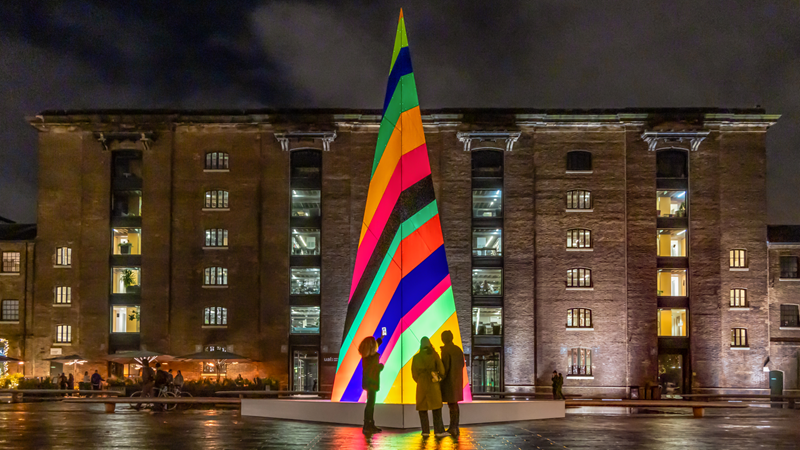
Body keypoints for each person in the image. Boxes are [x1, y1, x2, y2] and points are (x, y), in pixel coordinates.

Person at [411, 337, 447, 437]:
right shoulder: (434, 355)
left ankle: (425, 431)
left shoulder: (416, 357)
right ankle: (438, 431)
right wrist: (439, 378)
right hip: (433, 383)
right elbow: (442, 370)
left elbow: (414, 374)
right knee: (436, 409)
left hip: (421, 385)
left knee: (422, 409)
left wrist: (420, 380)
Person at [439, 330, 464, 436]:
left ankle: (452, 427)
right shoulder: (458, 349)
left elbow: (445, 368)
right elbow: (462, 364)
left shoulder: (446, 350)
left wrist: (439, 378)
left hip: (449, 382)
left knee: (452, 405)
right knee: (455, 405)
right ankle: (455, 426)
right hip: (457, 381)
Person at [359, 336, 384, 435]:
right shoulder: (373, 358)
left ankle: (369, 424)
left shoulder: (366, 357)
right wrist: (381, 366)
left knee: (370, 404)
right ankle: (368, 425)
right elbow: (375, 369)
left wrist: (381, 338)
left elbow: (374, 345)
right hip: (372, 383)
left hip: (367, 382)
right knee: (370, 405)